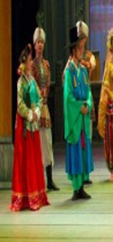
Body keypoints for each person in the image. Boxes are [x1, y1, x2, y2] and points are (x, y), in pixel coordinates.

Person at [10, 44, 50, 212]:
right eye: (28, 61)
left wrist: (38, 111)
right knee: (25, 161)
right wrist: (29, 114)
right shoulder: (21, 82)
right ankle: (25, 197)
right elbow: (19, 103)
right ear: (25, 63)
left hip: (34, 124)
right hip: (25, 127)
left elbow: (39, 98)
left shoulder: (32, 80)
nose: (30, 63)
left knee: (34, 159)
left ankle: (37, 195)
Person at [64, 21, 94, 201]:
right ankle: (76, 188)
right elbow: (68, 97)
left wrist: (88, 104)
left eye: (83, 47)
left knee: (83, 150)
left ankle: (81, 185)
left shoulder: (83, 71)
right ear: (73, 50)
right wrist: (79, 107)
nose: (82, 51)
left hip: (82, 117)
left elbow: (89, 91)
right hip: (76, 117)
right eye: (80, 48)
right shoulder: (70, 72)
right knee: (76, 149)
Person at [31, 16, 59, 191]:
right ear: (34, 45)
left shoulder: (46, 65)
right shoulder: (31, 65)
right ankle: (38, 180)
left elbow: (47, 84)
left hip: (45, 107)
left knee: (47, 142)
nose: (40, 45)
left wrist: (45, 94)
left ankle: (49, 179)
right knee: (38, 144)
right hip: (35, 108)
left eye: (42, 42)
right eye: (38, 42)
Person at [97, 29, 113, 181]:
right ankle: (112, 168)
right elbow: (106, 87)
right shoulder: (109, 65)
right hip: (112, 105)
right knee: (111, 137)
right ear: (111, 48)